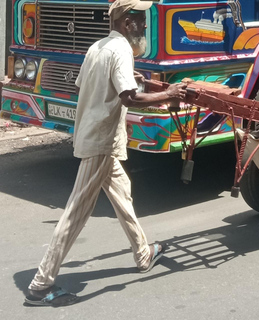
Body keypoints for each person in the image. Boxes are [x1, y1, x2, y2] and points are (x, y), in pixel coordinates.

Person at [24, 0, 187, 307]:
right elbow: (130, 98)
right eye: (141, 19)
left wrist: (128, 81)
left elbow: (85, 86)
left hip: (99, 136)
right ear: (127, 23)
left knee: (123, 193)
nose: (146, 25)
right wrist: (170, 93)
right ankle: (40, 284)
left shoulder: (97, 47)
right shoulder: (122, 50)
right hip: (100, 140)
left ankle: (143, 253)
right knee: (75, 213)